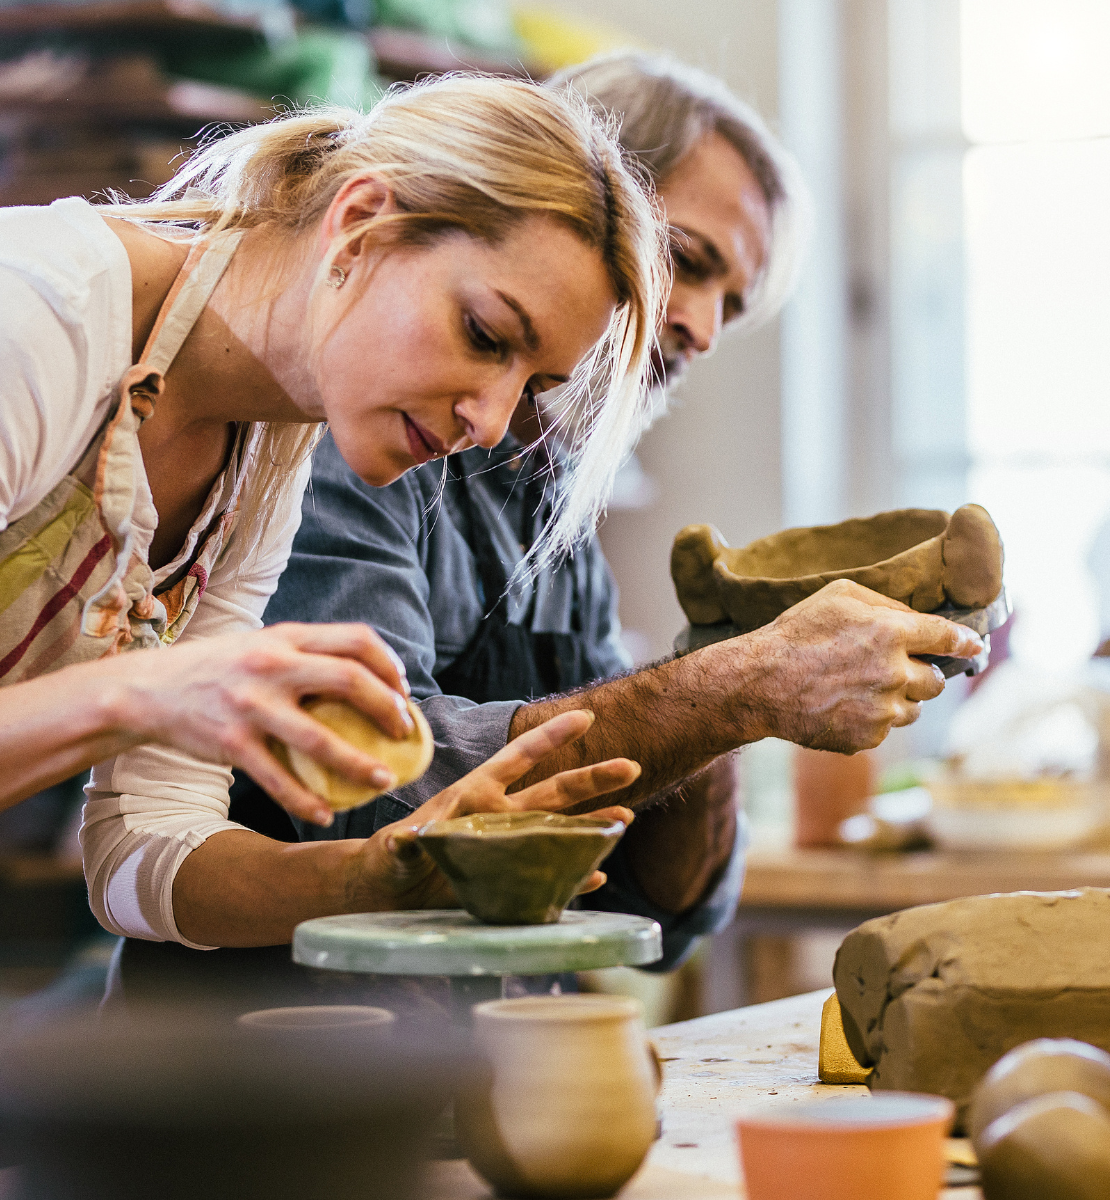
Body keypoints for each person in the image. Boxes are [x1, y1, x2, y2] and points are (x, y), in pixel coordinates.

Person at [96, 52, 982, 1004]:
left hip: (477, 1076)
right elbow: (372, 796)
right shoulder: (343, 427)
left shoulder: (548, 495)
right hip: (272, 1074)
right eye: (687, 264)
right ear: (579, 225)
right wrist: (731, 689)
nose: (701, 330)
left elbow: (660, 907)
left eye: (732, 302)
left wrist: (732, 650)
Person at [0, 74, 668, 1180]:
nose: (488, 419)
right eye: (484, 333)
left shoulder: (262, 450)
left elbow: (145, 864)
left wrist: (390, 873)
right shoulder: (26, 320)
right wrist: (148, 689)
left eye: (531, 383)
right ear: (361, 222)